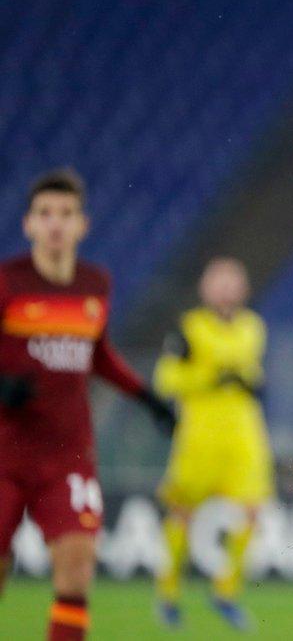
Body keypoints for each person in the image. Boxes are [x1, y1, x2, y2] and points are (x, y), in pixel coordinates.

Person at [0, 168, 175, 640]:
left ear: (83, 225)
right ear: (28, 225)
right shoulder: (7, 281)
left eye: (66, 214)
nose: (55, 223)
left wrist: (147, 398)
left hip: (68, 456)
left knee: (76, 571)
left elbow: (98, 355)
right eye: (45, 214)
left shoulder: (95, 285)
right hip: (5, 455)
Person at [152, 257, 273, 631]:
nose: (225, 288)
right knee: (182, 514)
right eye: (218, 280)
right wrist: (209, 378)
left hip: (244, 436)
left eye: (232, 281)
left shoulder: (254, 328)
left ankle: (225, 591)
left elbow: (254, 374)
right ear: (205, 287)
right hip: (199, 438)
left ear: (244, 290)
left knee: (254, 511)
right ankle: (168, 593)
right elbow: (165, 379)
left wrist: (248, 380)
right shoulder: (189, 330)